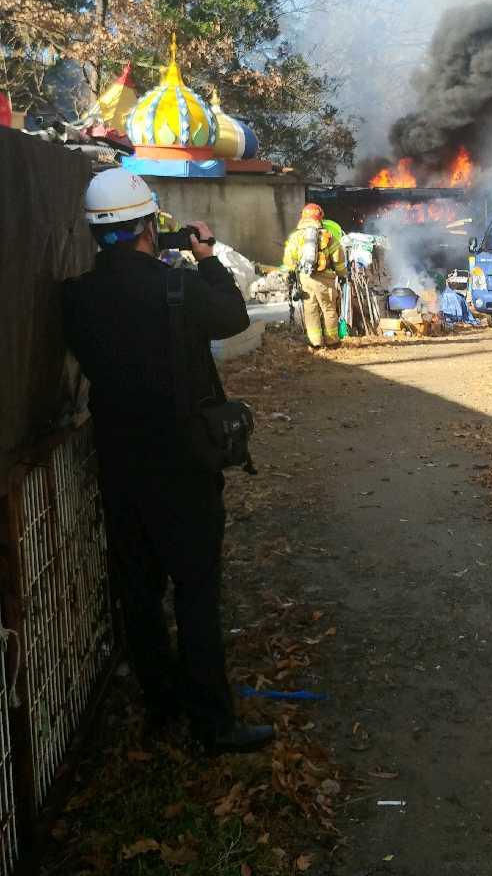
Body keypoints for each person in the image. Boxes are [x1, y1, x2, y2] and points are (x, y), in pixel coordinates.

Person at [61, 168, 273, 755]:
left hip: (119, 467)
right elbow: (233, 316)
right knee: (196, 591)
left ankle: (161, 707)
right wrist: (205, 256)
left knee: (140, 593)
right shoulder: (177, 290)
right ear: (150, 226)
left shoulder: (76, 297)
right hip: (184, 465)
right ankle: (213, 722)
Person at [282, 202, 347, 350]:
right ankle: (332, 341)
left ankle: (315, 342)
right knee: (329, 309)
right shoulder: (328, 236)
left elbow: (288, 258)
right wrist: (342, 274)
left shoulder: (296, 237)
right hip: (326, 279)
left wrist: (292, 272)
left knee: (310, 310)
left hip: (306, 278)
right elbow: (338, 258)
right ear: (320, 217)